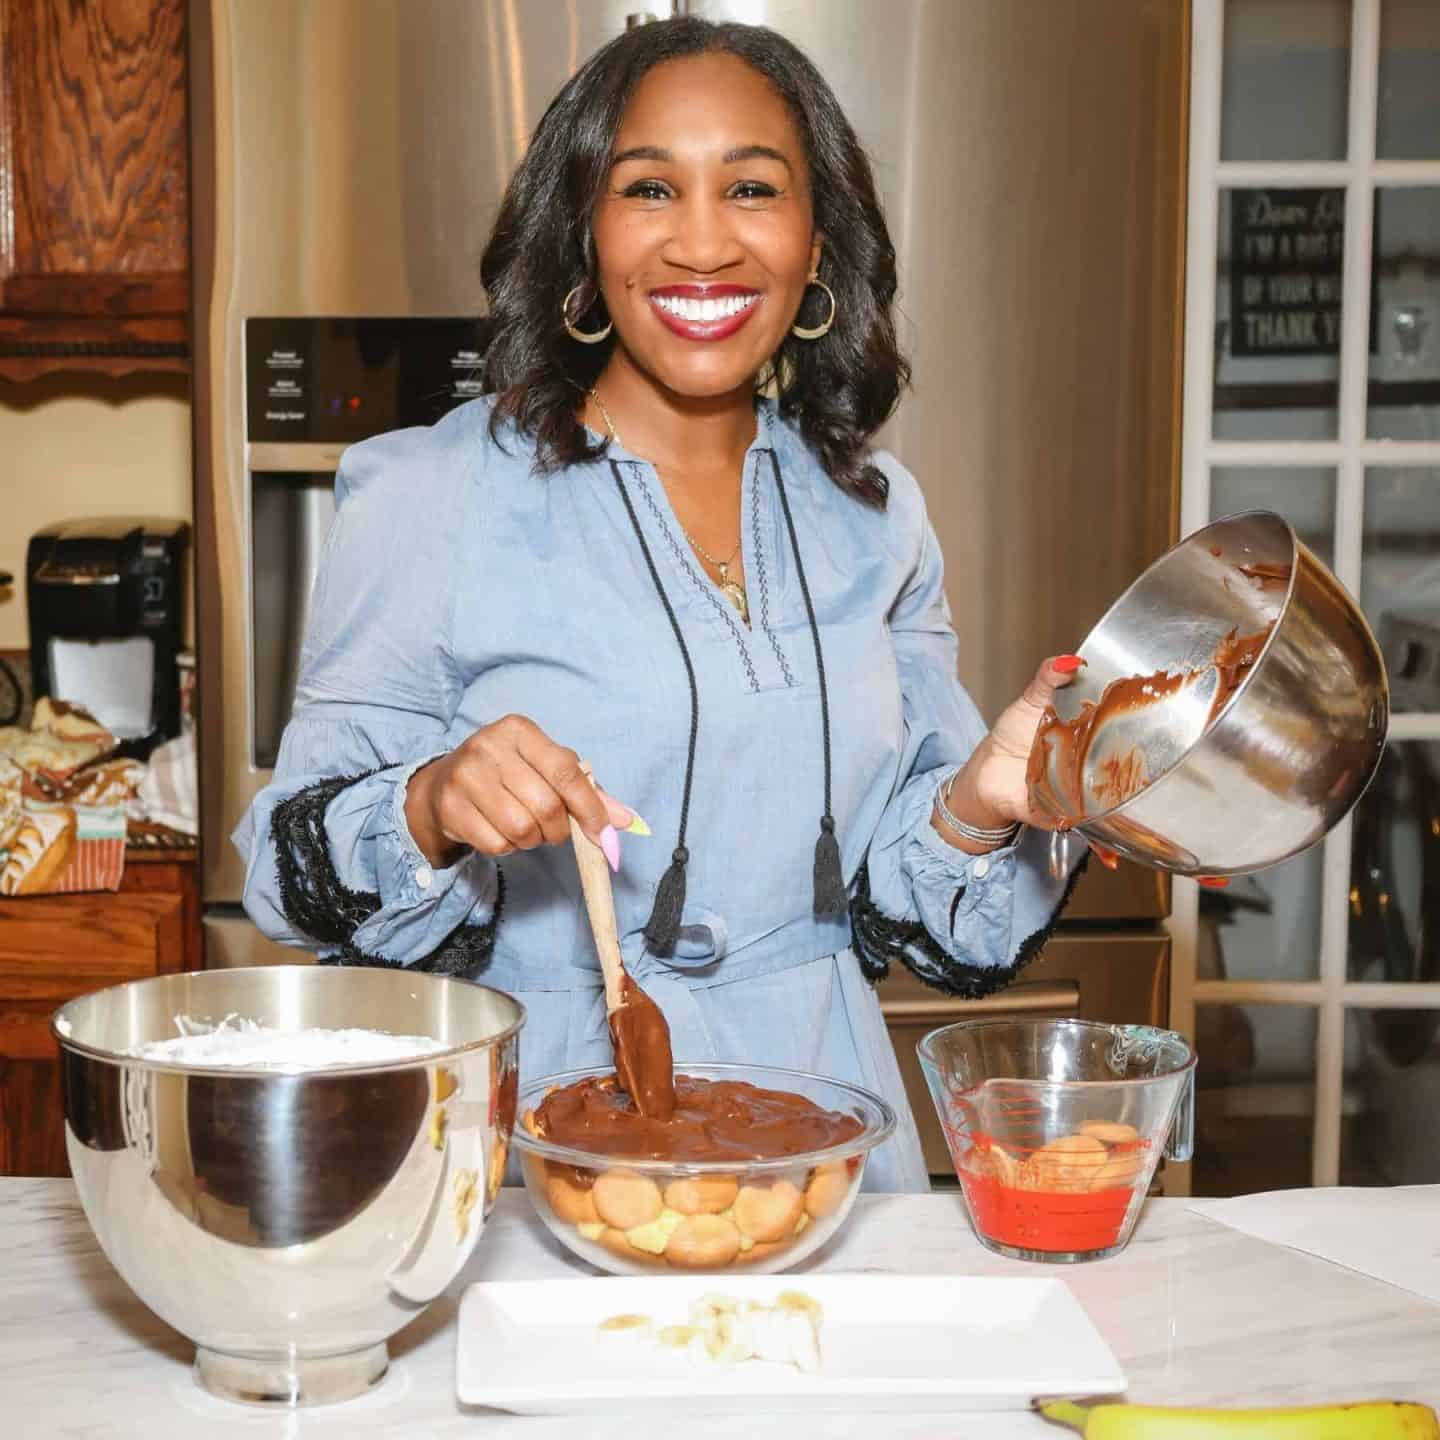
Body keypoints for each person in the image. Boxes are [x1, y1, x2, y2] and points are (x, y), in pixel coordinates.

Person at [235, 17, 1088, 1192]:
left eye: (750, 187)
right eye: (648, 188)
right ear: (584, 235)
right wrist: (431, 803)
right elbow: (284, 882)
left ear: (816, 238)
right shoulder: (432, 496)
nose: (702, 242)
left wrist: (986, 803)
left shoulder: (875, 516)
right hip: (541, 1132)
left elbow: (922, 917)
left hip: (828, 1125)